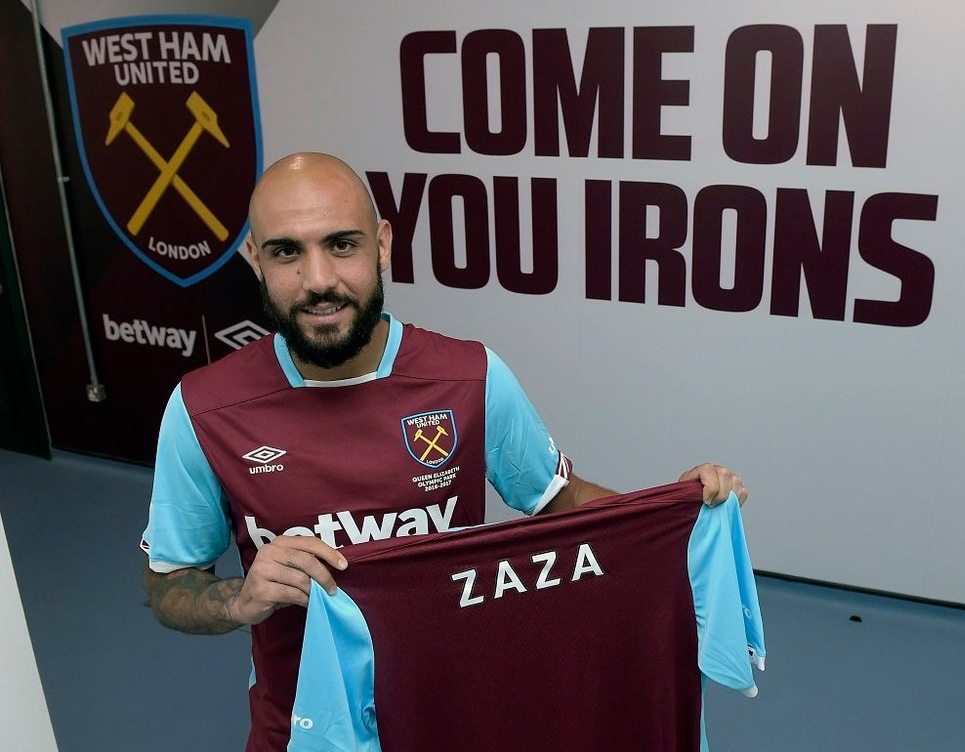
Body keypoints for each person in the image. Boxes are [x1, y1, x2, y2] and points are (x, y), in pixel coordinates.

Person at [141, 152, 748, 752]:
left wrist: (679, 512)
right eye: (286, 252)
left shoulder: (470, 377)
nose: (319, 279)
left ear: (382, 245)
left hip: (458, 715)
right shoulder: (203, 409)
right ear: (254, 258)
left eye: (342, 244)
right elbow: (170, 587)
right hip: (299, 727)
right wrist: (241, 600)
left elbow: (559, 501)